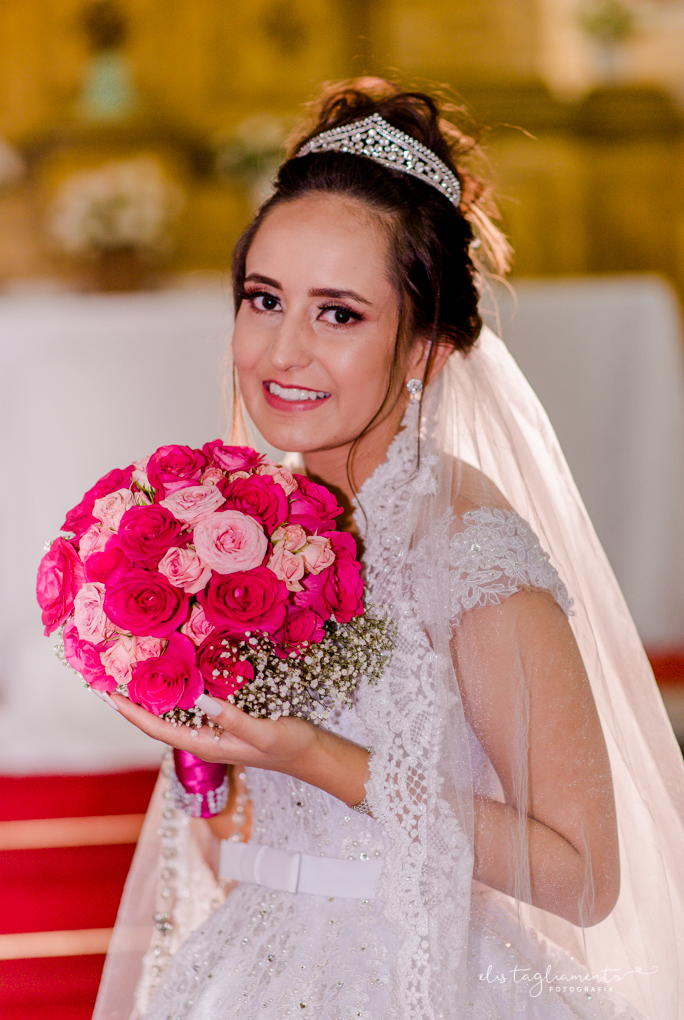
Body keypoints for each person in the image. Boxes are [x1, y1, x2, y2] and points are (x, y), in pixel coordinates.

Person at [93, 79, 684, 1020]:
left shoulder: (467, 550)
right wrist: (206, 747)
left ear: (426, 350)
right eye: (263, 298)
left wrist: (318, 756)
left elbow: (583, 878)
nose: (282, 351)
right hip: (252, 964)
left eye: (339, 313)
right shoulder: (243, 534)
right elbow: (228, 839)